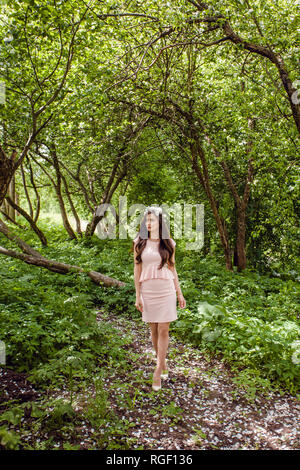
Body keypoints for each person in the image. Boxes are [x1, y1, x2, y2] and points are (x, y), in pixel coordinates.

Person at [133, 206, 186, 391]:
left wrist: (179, 293)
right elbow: (137, 269)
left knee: (164, 329)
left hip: (166, 290)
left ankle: (157, 370)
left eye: (152, 220)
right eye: (146, 220)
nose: (148, 223)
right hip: (148, 291)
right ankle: (162, 363)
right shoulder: (139, 242)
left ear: (160, 222)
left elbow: (173, 269)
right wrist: (137, 294)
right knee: (153, 330)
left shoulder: (169, 243)